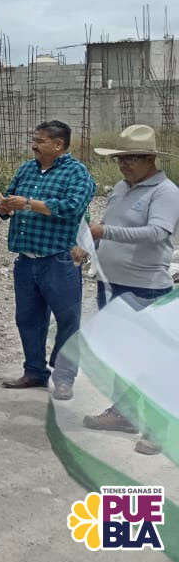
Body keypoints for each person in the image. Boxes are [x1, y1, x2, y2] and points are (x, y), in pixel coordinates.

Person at [80, 125, 179, 455]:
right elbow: (107, 229)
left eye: (131, 159)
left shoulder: (165, 192)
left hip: (146, 288)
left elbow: (157, 232)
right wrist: (89, 244)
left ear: (150, 158)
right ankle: (123, 412)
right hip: (112, 284)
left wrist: (105, 231)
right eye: (121, 159)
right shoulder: (121, 188)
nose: (124, 165)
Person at [0, 120, 95, 400]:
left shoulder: (77, 173)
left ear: (58, 145)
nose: (34, 145)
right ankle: (34, 371)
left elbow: (72, 207)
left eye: (39, 141)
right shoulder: (27, 169)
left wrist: (28, 203)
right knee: (28, 318)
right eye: (34, 139)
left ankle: (64, 377)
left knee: (67, 320)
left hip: (58, 259)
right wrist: (3, 206)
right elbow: (7, 201)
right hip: (26, 260)